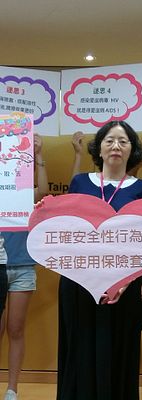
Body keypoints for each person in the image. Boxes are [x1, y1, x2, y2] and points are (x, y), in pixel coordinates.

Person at [57, 121, 142, 400]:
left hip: (124, 286)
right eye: (109, 140)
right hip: (79, 282)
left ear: (132, 150)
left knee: (119, 349)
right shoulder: (79, 182)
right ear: (98, 148)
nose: (116, 146)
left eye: (123, 141)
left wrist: (126, 282)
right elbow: (66, 226)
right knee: (80, 346)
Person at [0, 133, 48, 400]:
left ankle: (12, 388)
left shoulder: (23, 193)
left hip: (22, 267)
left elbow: (43, 192)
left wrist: (39, 155)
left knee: (16, 329)